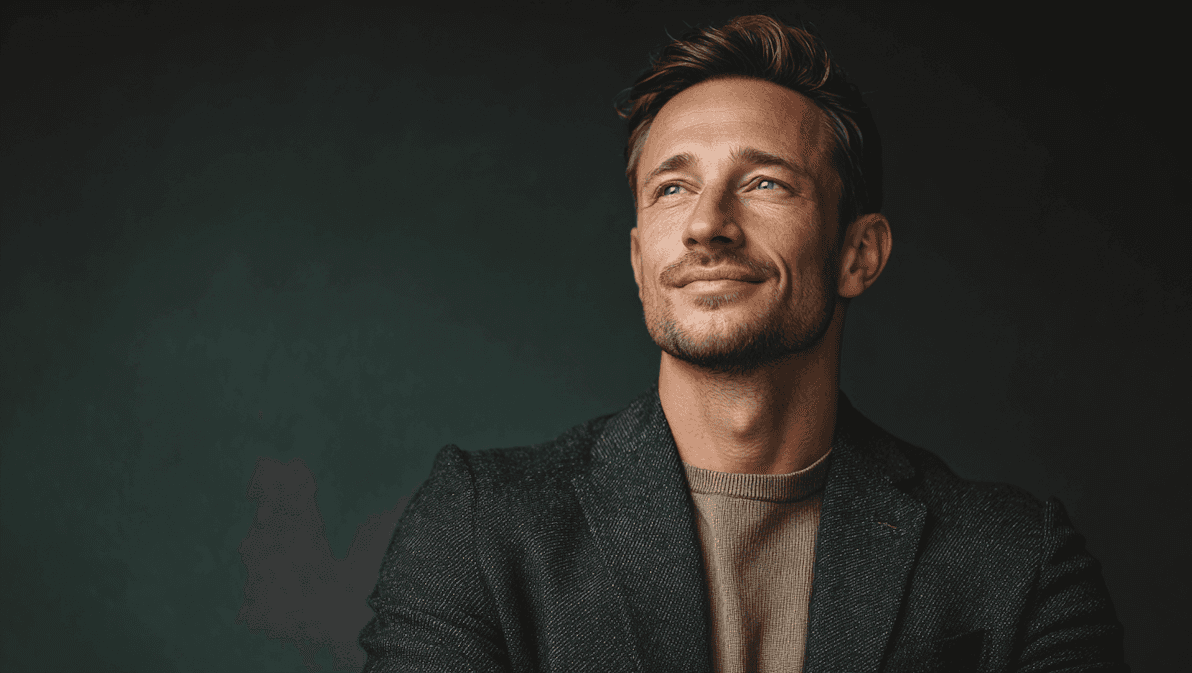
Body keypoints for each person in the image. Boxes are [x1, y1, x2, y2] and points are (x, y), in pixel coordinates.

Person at [358, 15, 1126, 672]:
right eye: (672, 187)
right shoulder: (481, 528)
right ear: (639, 262)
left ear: (859, 254)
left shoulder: (1020, 562)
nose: (707, 224)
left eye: (765, 183)